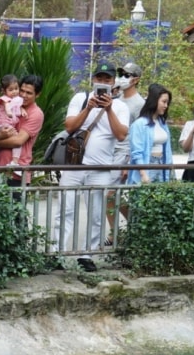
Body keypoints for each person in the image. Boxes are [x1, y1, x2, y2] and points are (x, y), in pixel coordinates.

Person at [60, 65, 129, 270]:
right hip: (74, 166)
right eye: (100, 78)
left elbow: (121, 135)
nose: (103, 83)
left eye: (107, 80)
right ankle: (56, 253)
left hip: (101, 168)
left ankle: (86, 254)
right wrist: (89, 108)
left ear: (113, 82)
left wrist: (107, 109)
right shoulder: (80, 99)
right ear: (93, 80)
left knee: (96, 214)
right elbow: (70, 127)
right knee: (65, 209)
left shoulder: (120, 107)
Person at [0, 73, 46, 187]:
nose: (24, 95)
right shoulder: (10, 106)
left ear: (38, 94)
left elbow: (18, 141)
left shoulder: (36, 113)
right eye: (22, 90)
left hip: (17, 173)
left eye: (29, 93)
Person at [126, 83, 173, 185]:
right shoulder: (139, 124)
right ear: (155, 101)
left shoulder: (162, 123)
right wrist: (143, 174)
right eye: (164, 102)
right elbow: (136, 153)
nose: (166, 106)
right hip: (148, 165)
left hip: (162, 165)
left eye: (167, 103)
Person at [114, 62, 145, 182]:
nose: (122, 78)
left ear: (136, 80)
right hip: (109, 149)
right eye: (121, 74)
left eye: (127, 75)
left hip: (123, 152)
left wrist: (127, 164)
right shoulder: (116, 98)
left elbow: (138, 135)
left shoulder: (140, 104)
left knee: (112, 194)